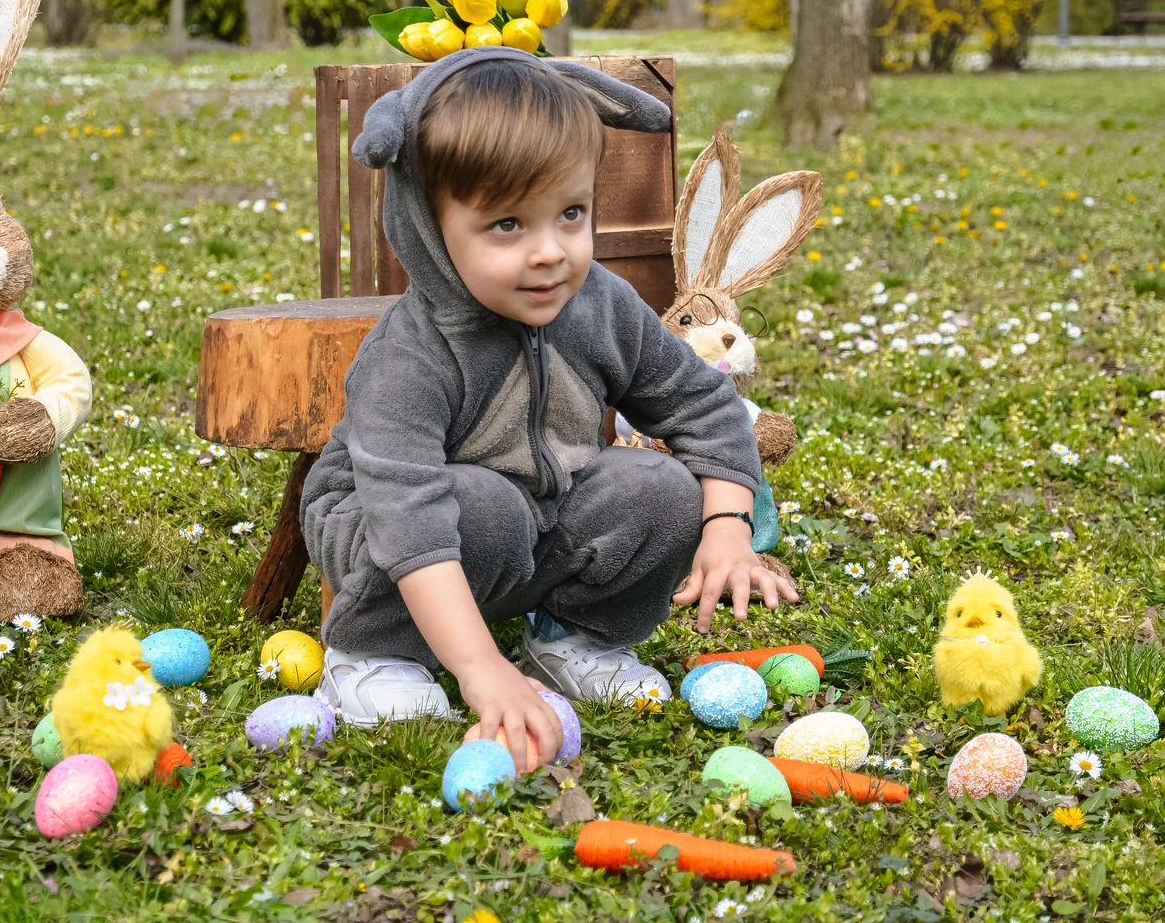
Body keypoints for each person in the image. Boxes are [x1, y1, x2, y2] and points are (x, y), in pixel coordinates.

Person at [301, 48, 797, 771]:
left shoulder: (599, 305)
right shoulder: (411, 355)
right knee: (483, 507)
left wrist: (727, 527)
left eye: (571, 214)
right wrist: (480, 671)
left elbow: (702, 406)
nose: (550, 253)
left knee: (660, 490)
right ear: (429, 226)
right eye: (506, 225)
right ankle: (371, 650)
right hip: (386, 525)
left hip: (535, 511)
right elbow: (408, 518)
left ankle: (574, 637)